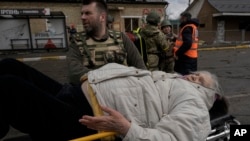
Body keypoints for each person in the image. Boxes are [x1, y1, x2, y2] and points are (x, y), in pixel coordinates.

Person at [0, 58, 227, 141]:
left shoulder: (195, 103)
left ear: (208, 93)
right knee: (10, 65)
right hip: (79, 94)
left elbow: (170, 138)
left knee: (8, 88)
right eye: (196, 74)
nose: (193, 77)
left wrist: (126, 128)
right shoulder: (171, 79)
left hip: (88, 118)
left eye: (199, 80)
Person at [67, 0, 146, 85]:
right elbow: (74, 74)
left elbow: (141, 68)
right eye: (82, 13)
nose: (83, 17)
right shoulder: (77, 42)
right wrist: (114, 77)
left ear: (102, 17)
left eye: (87, 13)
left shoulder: (121, 38)